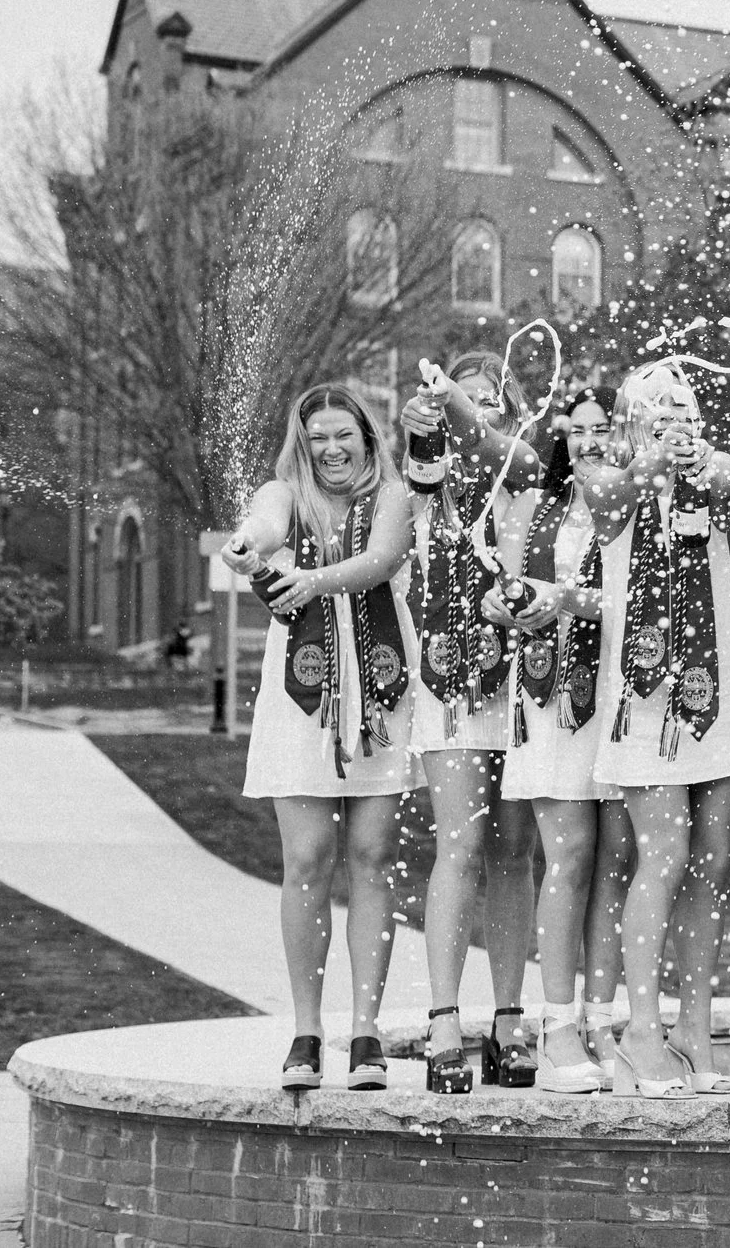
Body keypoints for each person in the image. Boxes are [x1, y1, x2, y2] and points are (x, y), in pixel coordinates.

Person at [225, 384, 417, 1092]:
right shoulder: (285, 492)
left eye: (346, 435)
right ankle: (307, 1029)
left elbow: (382, 560)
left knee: (372, 855)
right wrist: (249, 544)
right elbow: (264, 522)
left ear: (368, 438)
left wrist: (312, 581)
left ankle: (366, 1031)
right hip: (299, 703)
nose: (332, 449)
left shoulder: (391, 497)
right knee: (305, 858)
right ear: (301, 445)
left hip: (382, 693)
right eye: (318, 439)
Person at [582, 362, 730, 1097]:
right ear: (631, 421)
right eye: (658, 409)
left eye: (685, 407)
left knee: (711, 859)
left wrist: (718, 471)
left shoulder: (713, 477)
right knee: (665, 853)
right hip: (646, 699)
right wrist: (653, 461)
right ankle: (639, 1029)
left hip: (718, 690)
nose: (676, 418)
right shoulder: (609, 474)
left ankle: (694, 1026)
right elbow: (606, 497)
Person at [397, 350, 545, 1094]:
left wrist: (459, 401)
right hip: (450, 677)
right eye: (465, 401)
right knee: (457, 843)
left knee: (514, 853)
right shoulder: (430, 482)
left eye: (493, 401)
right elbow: (418, 474)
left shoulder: (523, 476)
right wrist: (426, 422)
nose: (473, 412)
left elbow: (510, 452)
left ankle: (511, 1015)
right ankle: (445, 1016)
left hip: (520, 674)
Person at [497, 385, 632, 1093]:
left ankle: (603, 1019)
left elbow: (642, 596)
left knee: (617, 859)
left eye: (602, 427)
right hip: (555, 700)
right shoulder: (533, 508)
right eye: (575, 430)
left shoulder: (639, 506)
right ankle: (556, 1029)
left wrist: (575, 600)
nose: (587, 440)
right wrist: (510, 604)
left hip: (625, 694)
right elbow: (517, 593)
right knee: (569, 855)